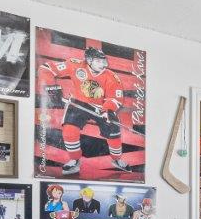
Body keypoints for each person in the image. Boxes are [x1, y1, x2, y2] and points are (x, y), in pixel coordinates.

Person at [37, 46, 132, 175]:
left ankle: (117, 159)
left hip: (101, 106)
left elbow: (115, 97)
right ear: (89, 60)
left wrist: (108, 110)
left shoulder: (112, 77)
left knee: (113, 132)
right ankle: (74, 160)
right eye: (98, 61)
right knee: (69, 130)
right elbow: (46, 68)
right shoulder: (75, 65)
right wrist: (51, 86)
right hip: (78, 102)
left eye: (104, 60)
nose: (103, 64)